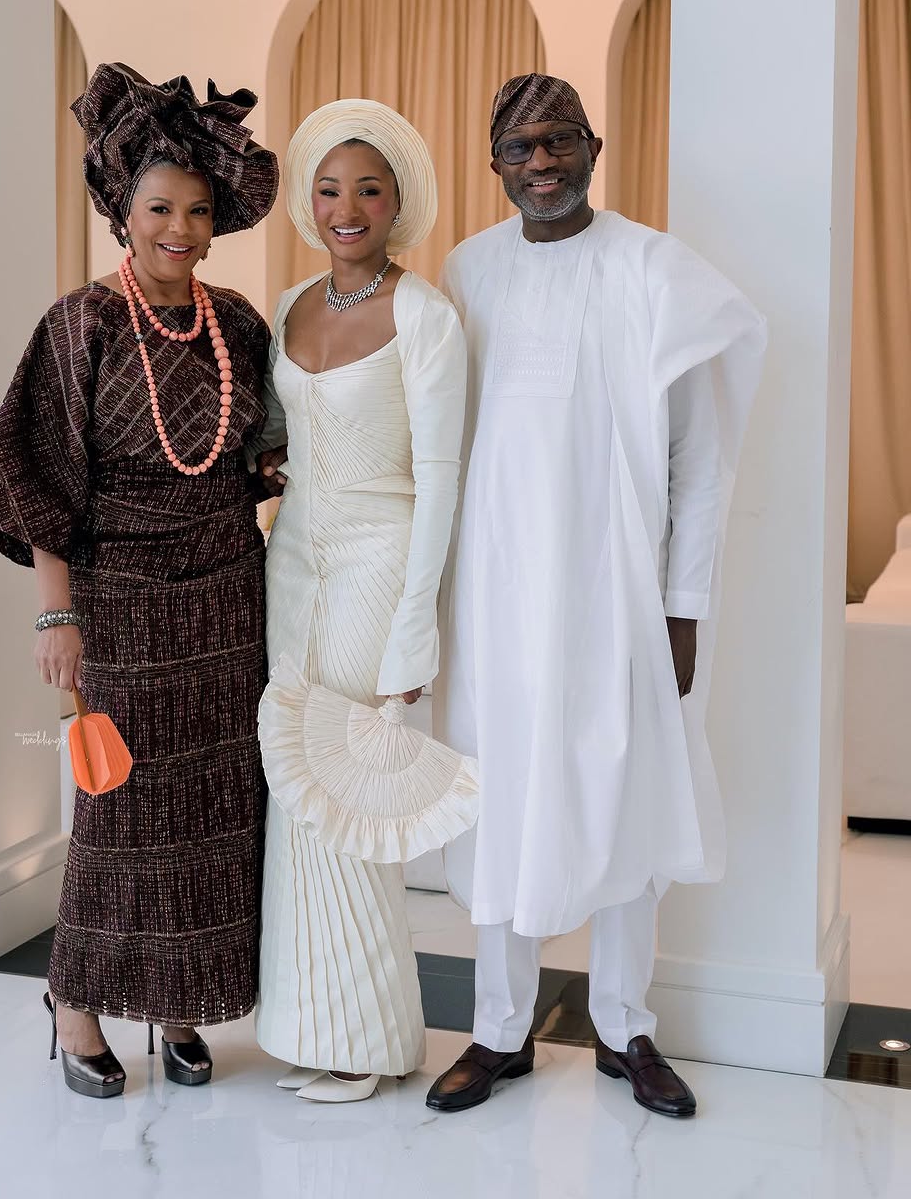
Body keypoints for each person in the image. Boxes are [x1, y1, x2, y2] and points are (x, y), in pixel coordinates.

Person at [428, 74, 766, 1119]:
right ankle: (499, 1030)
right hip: (493, 592)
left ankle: (625, 1028)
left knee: (625, 789)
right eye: (520, 147)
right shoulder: (466, 271)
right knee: (497, 790)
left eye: (560, 140)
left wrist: (684, 605)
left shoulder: (657, 271)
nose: (542, 162)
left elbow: (700, 461)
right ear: (493, 163)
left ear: (594, 147)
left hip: (616, 589)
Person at [0, 63, 278, 1098]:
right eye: (159, 209)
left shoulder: (239, 324)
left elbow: (263, 455)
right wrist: (56, 613)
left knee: (216, 807)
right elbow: (38, 475)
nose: (180, 228)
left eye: (197, 211)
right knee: (123, 811)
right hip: (120, 598)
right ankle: (78, 999)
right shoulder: (81, 323)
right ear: (122, 214)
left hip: (229, 597)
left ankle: (180, 1004)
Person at [254, 99, 467, 1103]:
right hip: (291, 559)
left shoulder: (426, 317)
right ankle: (309, 1024)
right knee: (293, 789)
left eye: (368, 190)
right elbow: (273, 440)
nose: (348, 208)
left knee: (346, 790)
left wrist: (415, 629)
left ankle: (369, 1038)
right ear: (310, 201)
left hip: (379, 562)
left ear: (397, 202)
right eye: (331, 189)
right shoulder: (290, 302)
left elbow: (443, 479)